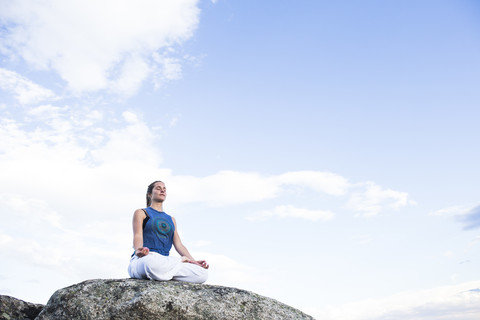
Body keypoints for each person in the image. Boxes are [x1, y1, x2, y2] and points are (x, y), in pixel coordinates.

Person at [128, 180, 209, 283]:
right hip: (145, 259)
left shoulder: (171, 219)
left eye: (164, 189)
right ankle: (175, 265)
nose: (162, 191)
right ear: (149, 194)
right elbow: (138, 235)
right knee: (151, 263)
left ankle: (164, 273)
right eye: (158, 188)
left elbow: (179, 245)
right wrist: (138, 250)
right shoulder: (141, 212)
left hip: (165, 262)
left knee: (202, 274)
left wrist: (194, 262)